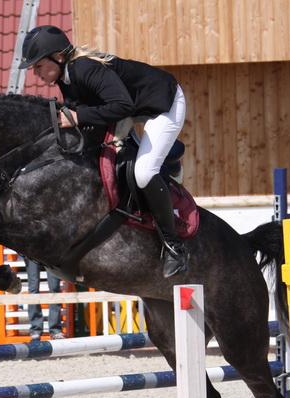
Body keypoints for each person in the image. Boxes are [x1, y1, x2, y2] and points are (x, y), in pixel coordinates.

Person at [18, 25, 188, 277]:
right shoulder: (66, 78)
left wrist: (78, 116)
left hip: (164, 104)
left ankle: (174, 247)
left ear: (59, 57)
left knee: (143, 172)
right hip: (134, 109)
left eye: (38, 66)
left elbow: (121, 105)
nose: (36, 73)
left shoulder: (85, 69)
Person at [25, 257, 64, 341]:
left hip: (51, 252)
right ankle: (35, 330)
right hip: (31, 252)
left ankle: (55, 330)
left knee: (55, 289)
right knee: (33, 290)